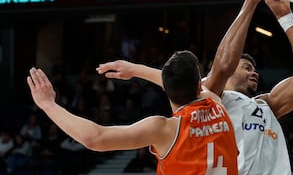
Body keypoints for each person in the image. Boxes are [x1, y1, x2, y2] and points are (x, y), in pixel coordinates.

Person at [97, 0, 293, 175]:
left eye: (254, 69)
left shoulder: (267, 105)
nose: (254, 73)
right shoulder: (213, 102)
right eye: (246, 67)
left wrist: (285, 16)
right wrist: (251, 0)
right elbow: (220, 67)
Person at [27, 50, 239, 175]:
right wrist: (136, 70)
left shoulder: (165, 129)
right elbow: (186, 87)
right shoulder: (216, 104)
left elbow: (95, 138)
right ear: (197, 85)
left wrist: (48, 104)